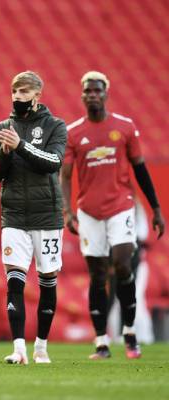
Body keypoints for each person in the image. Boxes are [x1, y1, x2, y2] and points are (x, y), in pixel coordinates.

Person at [61, 71, 165, 360]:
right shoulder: (74, 133)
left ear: (105, 94)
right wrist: (67, 210)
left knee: (121, 264)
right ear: (82, 96)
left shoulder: (125, 127)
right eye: (88, 91)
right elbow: (65, 175)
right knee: (97, 275)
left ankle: (129, 332)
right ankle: (101, 341)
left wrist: (156, 209)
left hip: (121, 208)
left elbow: (141, 169)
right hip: (89, 212)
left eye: (97, 90)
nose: (93, 95)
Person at [0, 71, 67, 364]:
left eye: (24, 91)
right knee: (15, 282)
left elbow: (53, 162)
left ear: (37, 95)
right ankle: (19, 348)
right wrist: (5, 152)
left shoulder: (55, 125)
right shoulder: (1, 129)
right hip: (14, 215)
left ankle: (41, 347)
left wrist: (20, 145)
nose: (18, 96)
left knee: (47, 280)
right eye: (14, 91)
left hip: (47, 216)